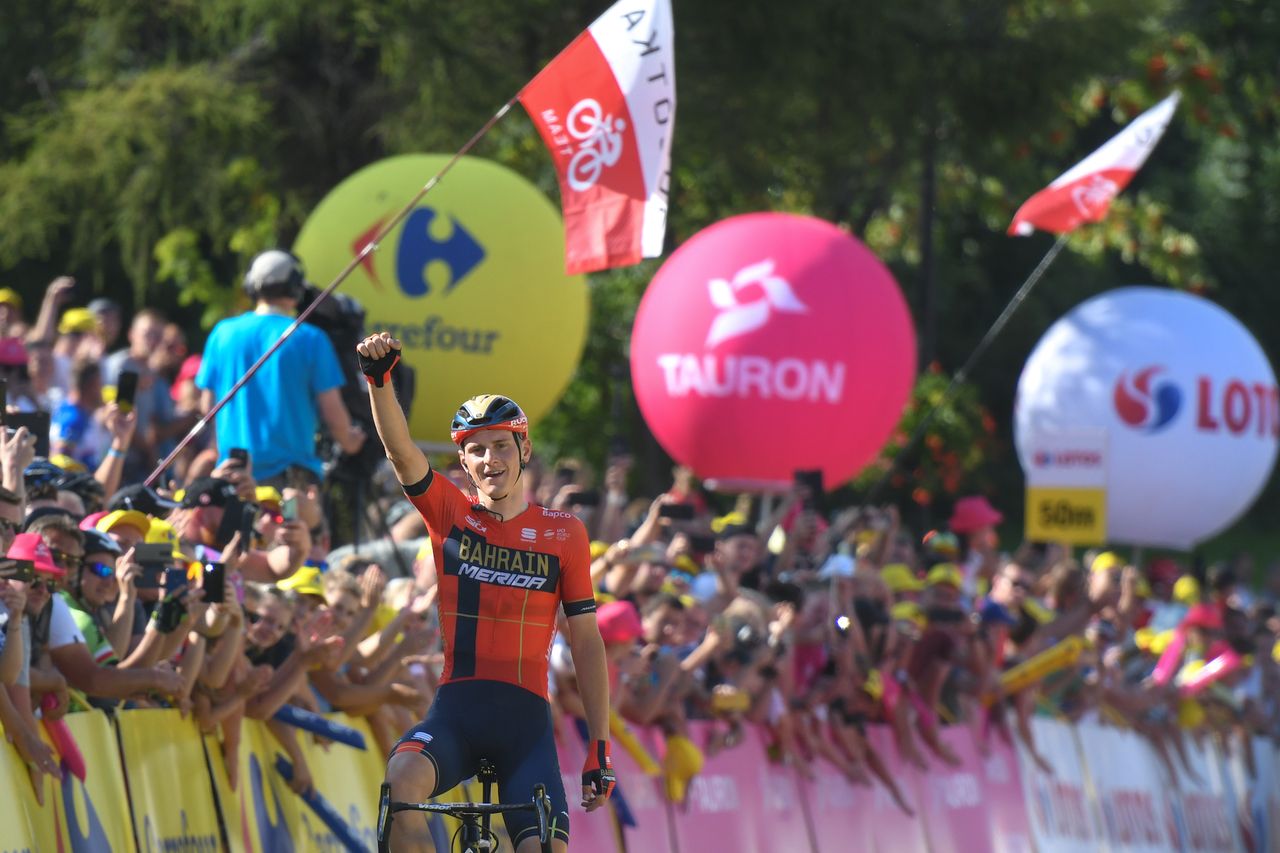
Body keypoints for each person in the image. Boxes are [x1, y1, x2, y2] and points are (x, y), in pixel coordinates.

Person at [357, 331, 614, 853]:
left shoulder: (564, 533)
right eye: (476, 450)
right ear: (464, 463)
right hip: (457, 713)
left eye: (501, 445)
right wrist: (379, 381)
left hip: (526, 727)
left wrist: (599, 745)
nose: (489, 458)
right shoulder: (452, 515)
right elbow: (401, 453)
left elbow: (586, 642)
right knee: (401, 781)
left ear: (524, 448)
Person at [196, 250, 365, 488]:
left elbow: (207, 406)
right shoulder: (311, 338)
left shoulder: (222, 333)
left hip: (233, 477)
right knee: (313, 528)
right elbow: (332, 412)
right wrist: (351, 441)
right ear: (295, 288)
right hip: (290, 484)